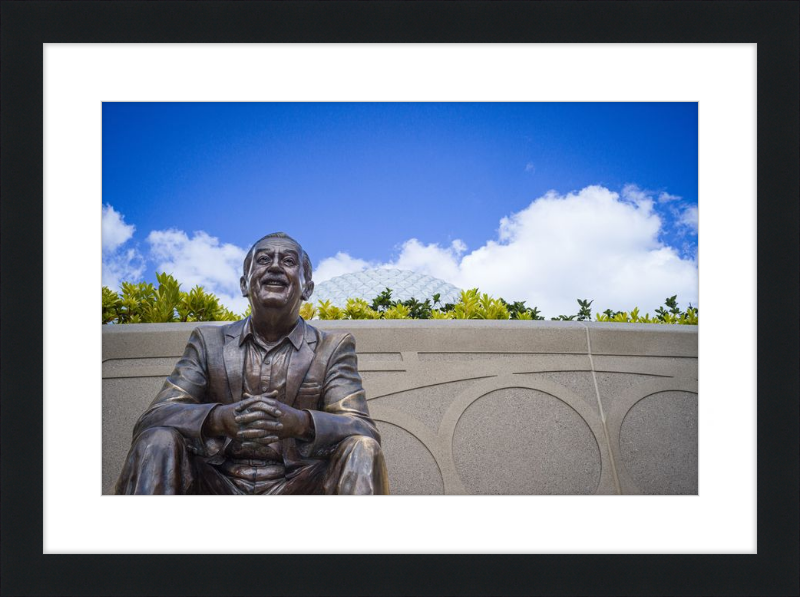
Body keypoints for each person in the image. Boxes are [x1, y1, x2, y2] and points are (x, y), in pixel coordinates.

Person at [115, 232, 389, 495]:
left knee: (362, 447)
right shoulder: (208, 341)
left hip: (300, 485)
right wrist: (218, 419)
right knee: (157, 439)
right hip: (215, 482)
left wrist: (301, 423)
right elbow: (155, 417)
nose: (275, 267)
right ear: (245, 284)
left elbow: (361, 426)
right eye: (263, 259)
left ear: (307, 288)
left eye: (289, 261)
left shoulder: (332, 347)